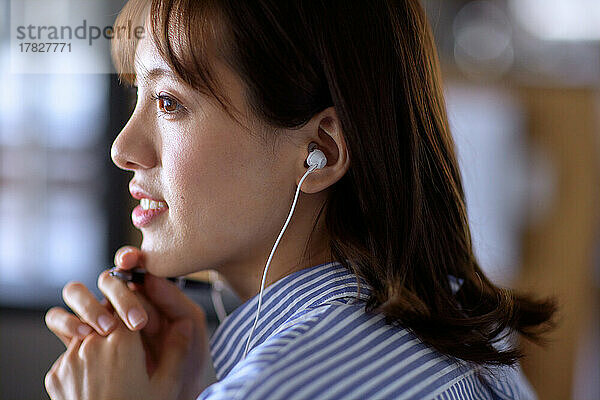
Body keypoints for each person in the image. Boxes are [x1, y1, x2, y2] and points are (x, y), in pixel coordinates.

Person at [43, 0, 557, 399]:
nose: (122, 149)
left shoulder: (274, 388)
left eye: (169, 102)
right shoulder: (456, 325)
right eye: (138, 96)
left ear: (321, 151)